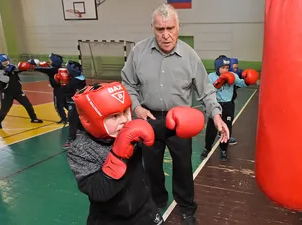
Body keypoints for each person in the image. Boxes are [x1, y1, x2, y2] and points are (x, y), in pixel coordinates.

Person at [120, 3, 230, 225]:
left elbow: (206, 92)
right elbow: (127, 83)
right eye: (160, 30)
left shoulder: (190, 56)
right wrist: (137, 107)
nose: (166, 35)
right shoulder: (139, 52)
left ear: (179, 26)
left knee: (182, 167)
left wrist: (216, 116)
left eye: (170, 28)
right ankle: (157, 203)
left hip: (181, 121)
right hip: (148, 118)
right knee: (151, 168)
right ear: (152, 28)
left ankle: (187, 208)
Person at [66, 82, 164, 225]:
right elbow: (99, 191)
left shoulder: (131, 127)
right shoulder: (81, 150)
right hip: (110, 219)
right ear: (90, 119)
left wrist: (173, 124)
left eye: (125, 112)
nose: (124, 120)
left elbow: (157, 128)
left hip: (145, 209)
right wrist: (119, 155)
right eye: (114, 116)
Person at [201, 56, 258, 160]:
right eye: (222, 67)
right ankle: (207, 148)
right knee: (211, 129)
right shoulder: (211, 77)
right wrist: (219, 83)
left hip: (228, 105)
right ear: (217, 67)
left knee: (227, 128)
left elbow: (241, 84)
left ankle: (223, 150)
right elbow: (208, 91)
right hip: (215, 105)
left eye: (227, 67)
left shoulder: (233, 75)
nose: (225, 70)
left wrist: (247, 81)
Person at [0, 53, 43, 129]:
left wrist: (28, 63)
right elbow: (5, 80)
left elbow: (20, 68)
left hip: (18, 91)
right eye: (3, 61)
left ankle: (34, 118)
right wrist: (7, 72)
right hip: (7, 93)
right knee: (5, 109)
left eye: (6, 61)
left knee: (28, 105)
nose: (6, 62)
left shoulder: (11, 67)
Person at [19, 53, 68, 124]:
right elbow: (48, 68)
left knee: (58, 105)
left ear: (54, 61)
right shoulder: (59, 68)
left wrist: (32, 66)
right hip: (64, 89)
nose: (49, 61)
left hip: (58, 89)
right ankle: (74, 115)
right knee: (64, 103)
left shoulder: (52, 69)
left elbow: (43, 69)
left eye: (50, 60)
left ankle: (64, 119)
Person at [61, 60, 86, 149]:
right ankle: (83, 132)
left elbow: (66, 91)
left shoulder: (73, 81)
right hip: (80, 102)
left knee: (72, 120)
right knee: (79, 118)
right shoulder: (81, 78)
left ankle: (71, 139)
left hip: (73, 103)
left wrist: (63, 84)